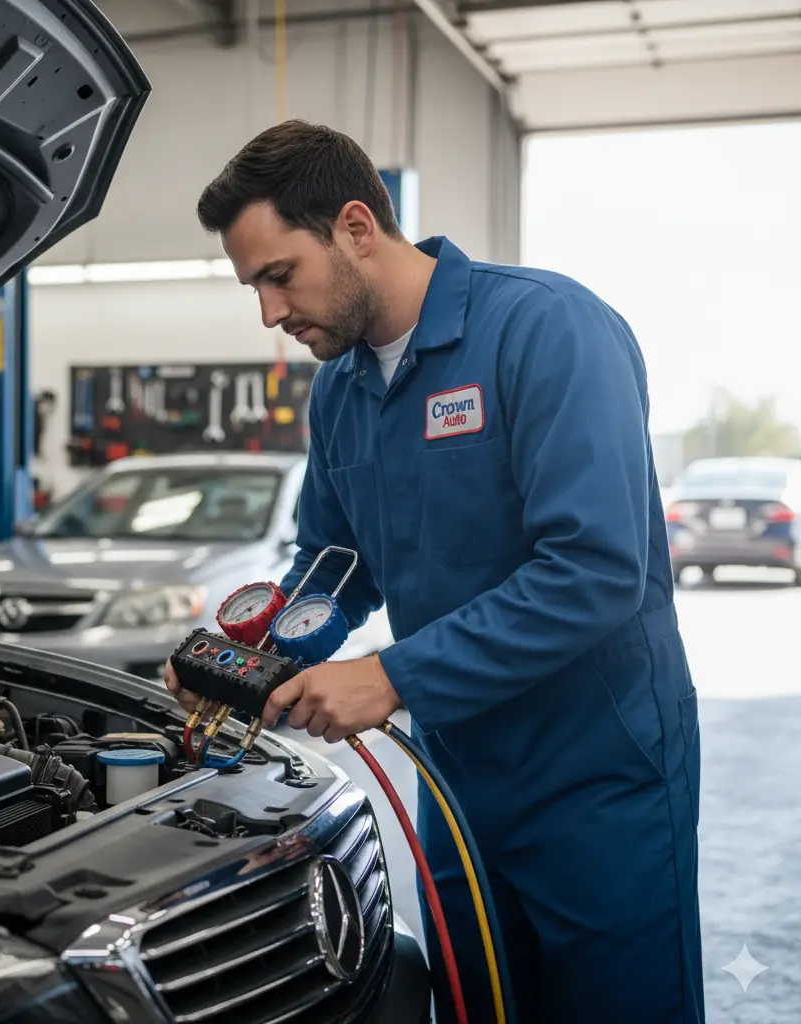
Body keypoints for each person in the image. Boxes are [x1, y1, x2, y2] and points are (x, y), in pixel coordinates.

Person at [164, 120, 704, 1024]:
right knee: (482, 1003)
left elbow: (595, 570)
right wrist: (246, 657)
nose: (268, 313)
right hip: (458, 783)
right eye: (252, 285)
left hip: (599, 778)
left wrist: (390, 676)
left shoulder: (544, 329)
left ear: (356, 227)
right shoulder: (341, 391)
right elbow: (335, 568)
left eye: (278, 275)